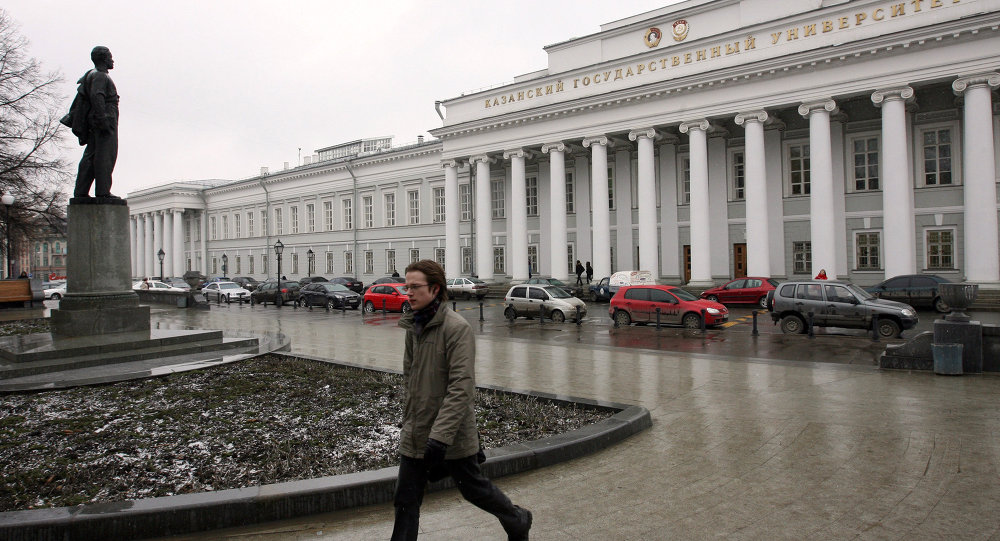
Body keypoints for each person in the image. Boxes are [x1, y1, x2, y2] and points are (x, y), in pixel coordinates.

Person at [393, 260, 532, 541]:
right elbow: (410, 378)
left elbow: (461, 386)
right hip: (417, 431)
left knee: (474, 489)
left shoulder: (456, 329)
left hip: (450, 436)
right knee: (405, 500)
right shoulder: (413, 326)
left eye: (415, 287)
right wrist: (409, 420)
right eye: (407, 286)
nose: (408, 292)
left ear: (435, 289)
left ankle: (517, 519)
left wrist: (440, 437)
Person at [73, 46, 121, 200]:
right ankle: (103, 191)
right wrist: (103, 119)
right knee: (105, 156)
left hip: (98, 119)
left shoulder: (91, 74)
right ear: (103, 58)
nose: (112, 60)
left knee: (91, 155)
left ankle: (81, 191)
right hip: (104, 119)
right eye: (110, 56)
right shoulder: (100, 76)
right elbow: (97, 96)